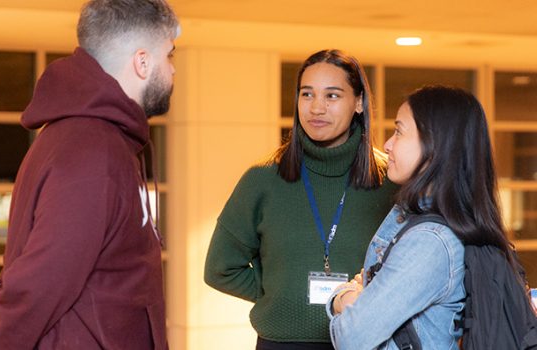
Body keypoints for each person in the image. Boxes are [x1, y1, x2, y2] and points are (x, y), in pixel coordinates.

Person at [0, 0, 179, 348]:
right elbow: (39, 284)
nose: (173, 70)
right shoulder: (94, 152)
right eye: (170, 56)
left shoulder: (94, 140)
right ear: (142, 62)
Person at [204, 49, 397, 349]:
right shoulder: (263, 179)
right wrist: (282, 293)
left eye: (332, 96)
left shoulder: (391, 181)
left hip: (364, 341)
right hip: (281, 343)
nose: (316, 108)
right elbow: (220, 268)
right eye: (307, 95)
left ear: (359, 102)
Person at [327, 85, 518, 349]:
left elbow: (352, 337)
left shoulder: (429, 241)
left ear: (435, 146)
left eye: (399, 131)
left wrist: (344, 297)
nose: (387, 144)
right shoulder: (415, 218)